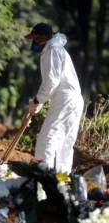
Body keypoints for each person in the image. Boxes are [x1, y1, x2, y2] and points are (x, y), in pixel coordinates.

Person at [25, 23, 84, 173]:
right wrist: (37, 104)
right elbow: (49, 83)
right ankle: (61, 182)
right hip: (73, 99)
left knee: (47, 138)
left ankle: (44, 179)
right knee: (65, 142)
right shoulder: (56, 48)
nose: (34, 42)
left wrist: (38, 100)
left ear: (44, 37)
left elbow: (52, 81)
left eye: (35, 38)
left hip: (65, 99)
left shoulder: (51, 49)